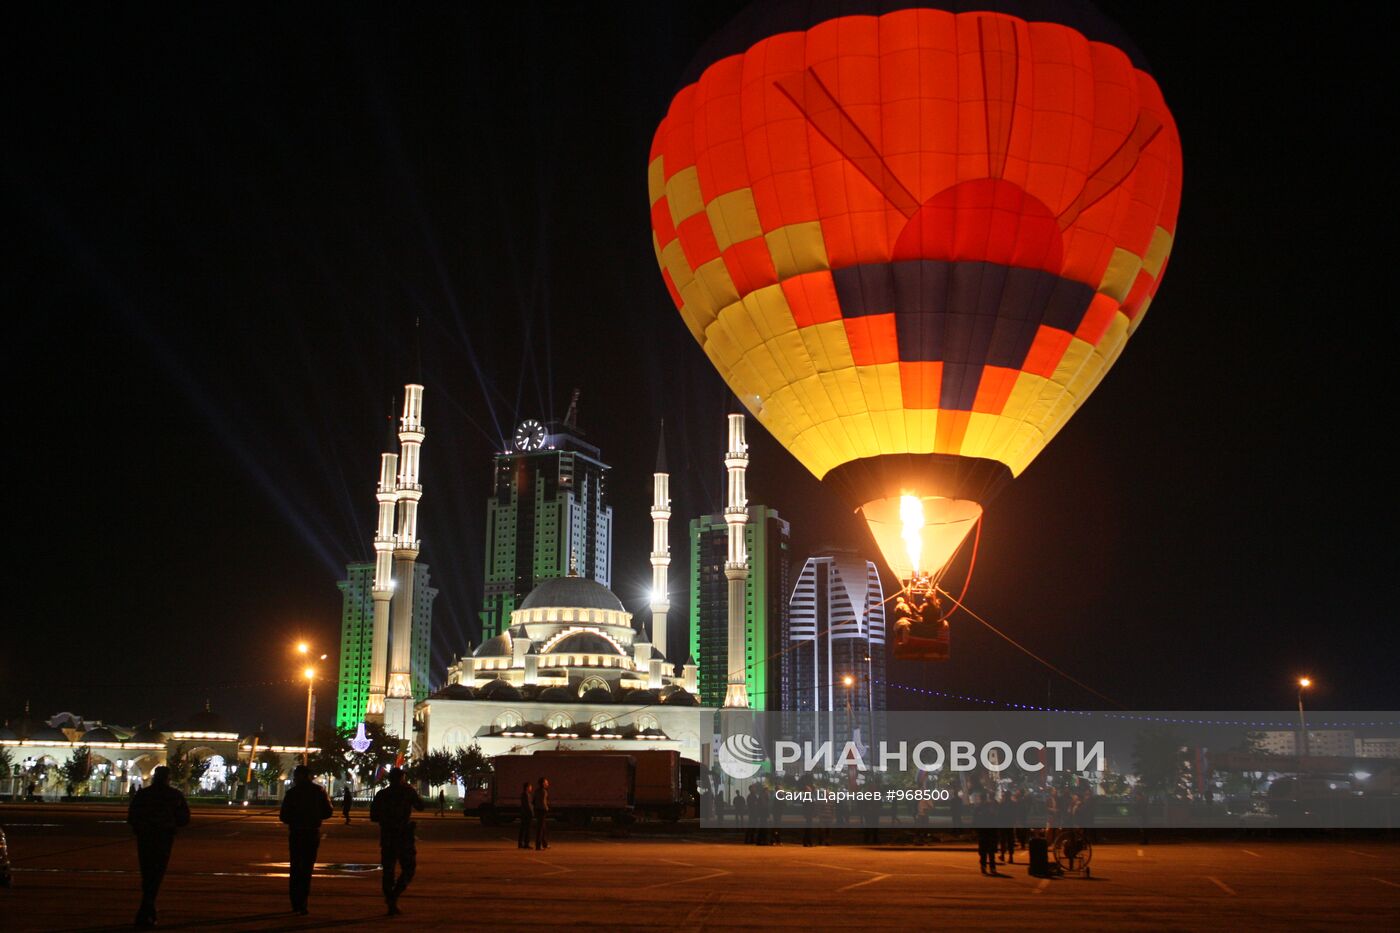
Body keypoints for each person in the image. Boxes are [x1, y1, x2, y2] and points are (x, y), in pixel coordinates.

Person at [126, 765, 190, 928]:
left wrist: (140, 828)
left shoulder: (144, 794)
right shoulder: (174, 795)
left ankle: (147, 910)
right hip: (163, 839)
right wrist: (171, 823)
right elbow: (184, 818)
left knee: (147, 873)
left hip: (145, 839)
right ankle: (146, 910)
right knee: (157, 874)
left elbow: (132, 816)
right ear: (167, 778)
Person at [279, 765, 333, 915]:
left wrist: (296, 818)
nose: (294, 779)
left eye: (296, 776)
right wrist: (314, 815)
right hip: (311, 834)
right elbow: (328, 812)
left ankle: (296, 902)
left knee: (295, 868)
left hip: (297, 834)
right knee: (307, 869)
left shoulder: (292, 793)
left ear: (303, 776)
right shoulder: (318, 791)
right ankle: (302, 903)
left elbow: (283, 816)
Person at [370, 767, 424, 915]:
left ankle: (390, 899)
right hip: (403, 837)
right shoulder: (407, 792)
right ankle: (393, 896)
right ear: (401, 778)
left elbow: (373, 816)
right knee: (409, 868)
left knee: (388, 871)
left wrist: (386, 819)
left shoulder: (382, 794)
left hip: (388, 836)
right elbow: (421, 806)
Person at [973, 794, 1000, 876]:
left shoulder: (979, 808)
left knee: (983, 851)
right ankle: (992, 867)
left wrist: (975, 830)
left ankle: (984, 866)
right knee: (990, 851)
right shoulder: (989, 808)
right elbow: (995, 819)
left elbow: (975, 820)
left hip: (983, 832)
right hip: (989, 832)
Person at [533, 777, 550, 850]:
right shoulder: (544, 791)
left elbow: (534, 800)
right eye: (546, 782)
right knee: (540, 828)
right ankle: (538, 845)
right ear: (543, 783)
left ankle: (544, 843)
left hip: (537, 810)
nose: (547, 784)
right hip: (542, 810)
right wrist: (546, 808)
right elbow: (543, 802)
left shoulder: (536, 791)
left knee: (542, 827)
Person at [517, 781, 534, 849]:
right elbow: (528, 805)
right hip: (527, 814)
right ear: (527, 787)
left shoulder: (524, 794)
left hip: (524, 813)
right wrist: (531, 813)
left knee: (523, 829)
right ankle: (526, 843)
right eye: (530, 787)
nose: (531, 788)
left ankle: (520, 843)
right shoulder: (526, 795)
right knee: (527, 829)